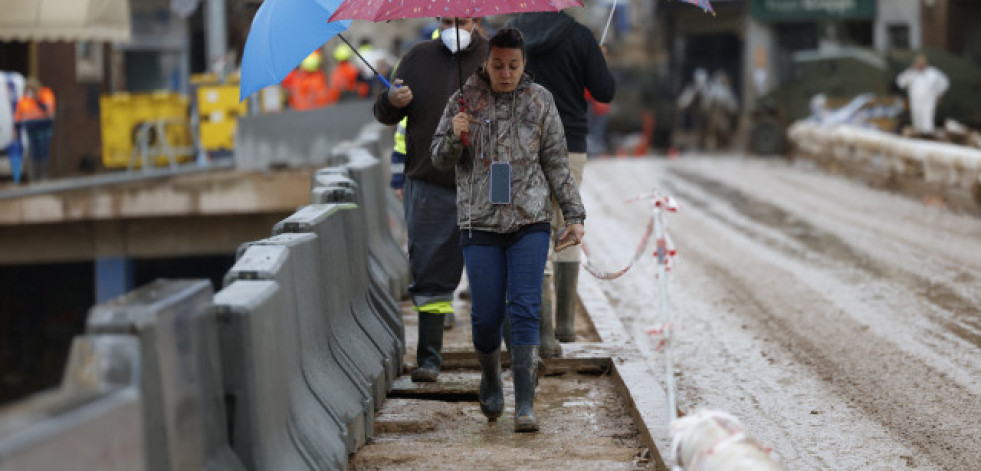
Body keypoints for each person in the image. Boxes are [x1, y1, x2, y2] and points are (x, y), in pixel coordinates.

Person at [431, 28, 586, 432]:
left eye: (513, 66)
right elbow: (439, 160)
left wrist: (574, 216)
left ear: (524, 65)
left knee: (524, 308)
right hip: (479, 223)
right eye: (498, 65)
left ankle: (525, 404)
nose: (505, 73)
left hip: (529, 222)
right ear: (486, 61)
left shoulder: (540, 102)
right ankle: (489, 375)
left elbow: (556, 163)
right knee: (485, 317)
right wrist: (455, 134)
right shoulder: (463, 101)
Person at [373, 16, 487, 382]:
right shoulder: (415, 59)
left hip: (485, 186)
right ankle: (430, 358)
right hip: (429, 183)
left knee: (493, 273)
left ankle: (499, 360)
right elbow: (385, 114)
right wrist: (391, 101)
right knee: (429, 271)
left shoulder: (495, 57)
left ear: (477, 17)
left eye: (461, 19)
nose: (453, 25)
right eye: (445, 19)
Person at [507, 11, 614, 358]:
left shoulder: (513, 37)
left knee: (536, 228)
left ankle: (546, 333)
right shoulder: (580, 37)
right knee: (568, 224)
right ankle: (565, 324)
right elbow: (605, 92)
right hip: (570, 145)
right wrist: (597, 61)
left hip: (526, 145)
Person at [896, 53, 949, 136]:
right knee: (916, 121)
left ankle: (928, 138)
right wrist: (910, 71)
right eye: (918, 63)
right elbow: (900, 82)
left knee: (927, 121)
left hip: (928, 101)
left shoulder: (933, 73)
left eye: (921, 64)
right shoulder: (911, 73)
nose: (919, 66)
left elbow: (944, 82)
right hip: (915, 101)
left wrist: (939, 93)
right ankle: (917, 137)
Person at [14, 77, 55, 181]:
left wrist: (37, 99)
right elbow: (18, 115)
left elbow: (48, 109)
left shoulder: (46, 94)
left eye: (31, 88)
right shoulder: (23, 100)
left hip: (44, 130)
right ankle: (35, 177)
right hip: (31, 131)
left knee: (43, 152)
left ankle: (44, 176)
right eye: (28, 89)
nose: (29, 91)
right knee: (34, 153)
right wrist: (16, 130)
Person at [704, 69, 739, 150]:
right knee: (715, 131)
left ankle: (722, 146)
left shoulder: (726, 89)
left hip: (722, 114)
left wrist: (733, 111)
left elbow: (731, 103)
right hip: (715, 113)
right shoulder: (714, 89)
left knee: (723, 130)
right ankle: (716, 146)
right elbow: (708, 102)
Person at [677, 68, 709, 150]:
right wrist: (682, 106)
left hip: (704, 114)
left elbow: (709, 102)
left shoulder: (708, 88)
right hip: (693, 113)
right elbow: (683, 101)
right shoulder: (692, 88)